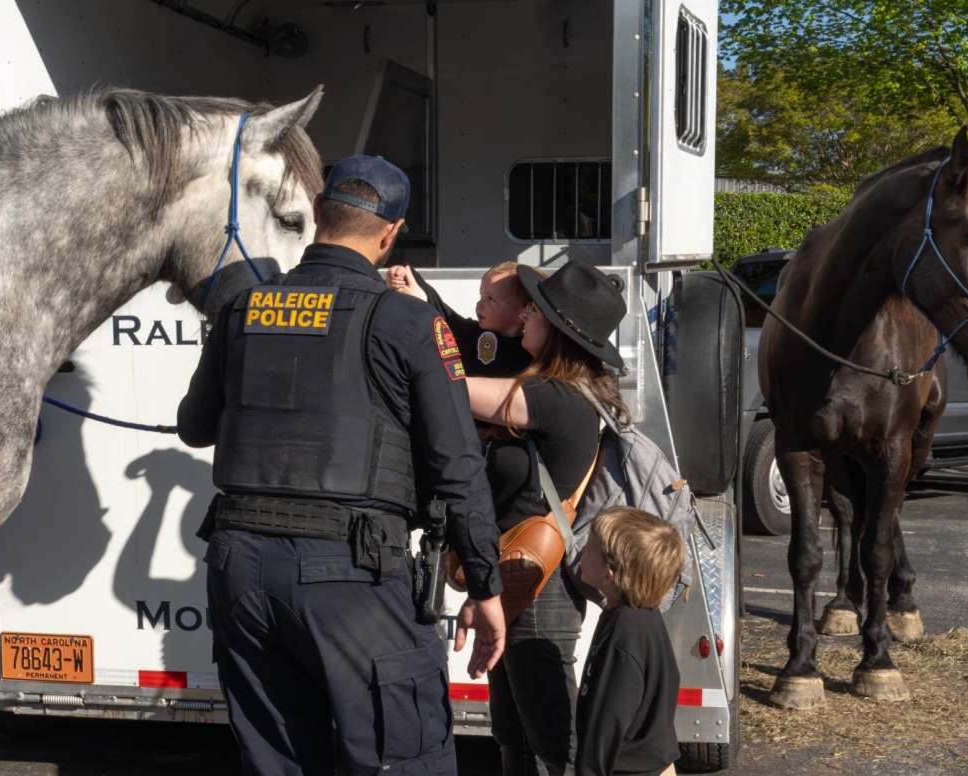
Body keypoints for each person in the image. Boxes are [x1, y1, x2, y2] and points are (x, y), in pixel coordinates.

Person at [176, 154, 507, 776]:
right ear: (390, 233)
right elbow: (457, 464)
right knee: (399, 758)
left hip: (241, 566)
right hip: (352, 572)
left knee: (275, 761)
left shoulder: (245, 307)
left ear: (319, 217)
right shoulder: (408, 320)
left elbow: (194, 427)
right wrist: (487, 585)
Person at [461, 261, 632, 776]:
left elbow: (451, 386)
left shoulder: (556, 398)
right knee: (513, 733)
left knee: (555, 740)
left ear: (556, 330)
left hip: (540, 585)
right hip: (519, 574)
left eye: (535, 310)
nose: (526, 317)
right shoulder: (555, 389)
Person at [574, 507, 684, 776]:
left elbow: (608, 720)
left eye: (589, 546)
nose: (581, 552)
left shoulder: (625, 632)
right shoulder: (641, 617)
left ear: (610, 570)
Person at [387, 261, 534, 377]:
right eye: (481, 296)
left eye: (490, 299)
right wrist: (406, 274)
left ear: (522, 313)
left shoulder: (531, 353)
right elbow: (445, 315)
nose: (479, 304)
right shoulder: (472, 334)